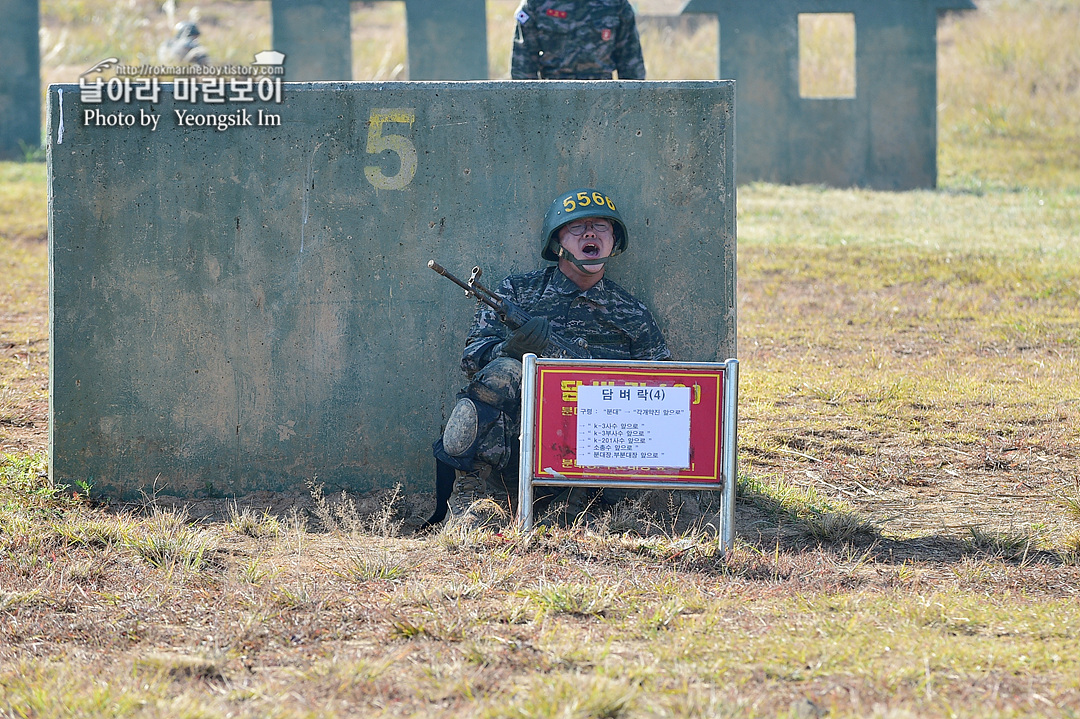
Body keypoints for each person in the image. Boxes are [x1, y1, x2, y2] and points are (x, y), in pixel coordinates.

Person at [425, 188, 669, 529]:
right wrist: (507, 352)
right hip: (515, 454)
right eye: (575, 227)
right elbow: (472, 360)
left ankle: (580, 509)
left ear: (614, 241)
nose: (589, 233)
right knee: (505, 370)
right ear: (557, 244)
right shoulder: (517, 293)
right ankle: (470, 498)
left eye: (600, 226)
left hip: (595, 465)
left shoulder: (632, 314)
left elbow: (664, 393)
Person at [511, 0, 646, 80]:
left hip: (603, 102)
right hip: (552, 101)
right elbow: (522, 67)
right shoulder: (537, 4)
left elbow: (631, 65)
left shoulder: (615, 4)